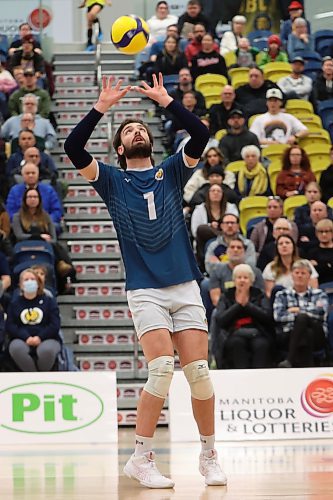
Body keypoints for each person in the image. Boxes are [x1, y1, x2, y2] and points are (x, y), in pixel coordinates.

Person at [64, 74, 226, 488]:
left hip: (185, 285)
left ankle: (209, 455)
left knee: (200, 374)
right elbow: (72, 148)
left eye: (140, 128)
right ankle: (141, 456)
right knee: (159, 370)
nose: (137, 131)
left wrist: (168, 100)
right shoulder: (111, 181)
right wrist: (101, 107)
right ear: (120, 148)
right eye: (128, 131)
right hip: (145, 289)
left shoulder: (171, 171)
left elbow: (200, 132)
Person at [11, 187, 74, 290]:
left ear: (39, 199)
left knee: (56, 247)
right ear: (25, 199)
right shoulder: (17, 217)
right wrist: (39, 237)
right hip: (25, 248)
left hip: (45, 247)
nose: (32, 199)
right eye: (30, 197)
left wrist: (45, 240)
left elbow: (53, 239)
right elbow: (19, 236)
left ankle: (65, 273)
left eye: (35, 197)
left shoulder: (46, 216)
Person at [214, 263, 273, 369]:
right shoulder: (226, 296)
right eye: (239, 277)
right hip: (233, 333)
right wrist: (238, 305)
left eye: (245, 278)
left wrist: (248, 305)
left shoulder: (259, 294)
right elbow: (221, 320)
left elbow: (267, 317)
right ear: (234, 280)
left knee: (261, 345)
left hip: (257, 332)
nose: (242, 280)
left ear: (251, 281)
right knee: (237, 343)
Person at [273, 259, 328, 368]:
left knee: (302, 318)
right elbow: (278, 316)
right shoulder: (282, 294)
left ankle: (289, 359)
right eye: (297, 273)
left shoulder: (319, 294)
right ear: (292, 275)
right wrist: (307, 311)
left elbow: (321, 313)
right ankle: (308, 369)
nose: (300, 276)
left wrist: (297, 310)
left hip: (318, 333)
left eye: (303, 273)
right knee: (307, 333)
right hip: (289, 333)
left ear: (309, 277)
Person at [6, 268, 62, 371]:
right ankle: (33, 377)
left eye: (32, 279)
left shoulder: (49, 301)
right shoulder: (14, 303)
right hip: (22, 339)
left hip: (47, 338)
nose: (29, 282)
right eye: (26, 280)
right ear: (21, 284)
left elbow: (55, 324)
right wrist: (26, 337)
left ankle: (40, 377)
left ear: (38, 283)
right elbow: (11, 325)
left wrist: (40, 337)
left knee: (46, 351)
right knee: (16, 349)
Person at [191, 183, 238, 270]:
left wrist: (220, 229)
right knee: (203, 229)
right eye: (213, 191)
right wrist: (210, 227)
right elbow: (195, 231)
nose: (216, 193)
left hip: (228, 239)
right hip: (204, 241)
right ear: (208, 194)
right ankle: (203, 266)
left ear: (222, 194)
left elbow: (234, 225)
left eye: (218, 191)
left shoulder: (231, 207)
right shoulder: (199, 209)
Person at [6, 162, 63, 226]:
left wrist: (44, 221)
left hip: (45, 224)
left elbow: (57, 211)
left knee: (55, 226)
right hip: (22, 225)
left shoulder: (49, 190)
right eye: (27, 173)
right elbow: (10, 212)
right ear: (22, 175)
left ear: (38, 174)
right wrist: (25, 222)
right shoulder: (14, 191)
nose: (30, 175)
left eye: (33, 173)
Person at [263, 234, 318, 298]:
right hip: (280, 302)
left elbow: (314, 288)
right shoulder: (270, 267)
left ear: (293, 247)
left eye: (287, 243)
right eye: (280, 244)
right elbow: (269, 293)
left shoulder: (306, 264)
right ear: (277, 248)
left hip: (304, 300)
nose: (284, 245)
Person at [307, 219, 333, 284]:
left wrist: (319, 265)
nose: (324, 234)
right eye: (321, 231)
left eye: (327, 231)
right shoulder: (312, 252)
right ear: (316, 233)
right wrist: (328, 265)